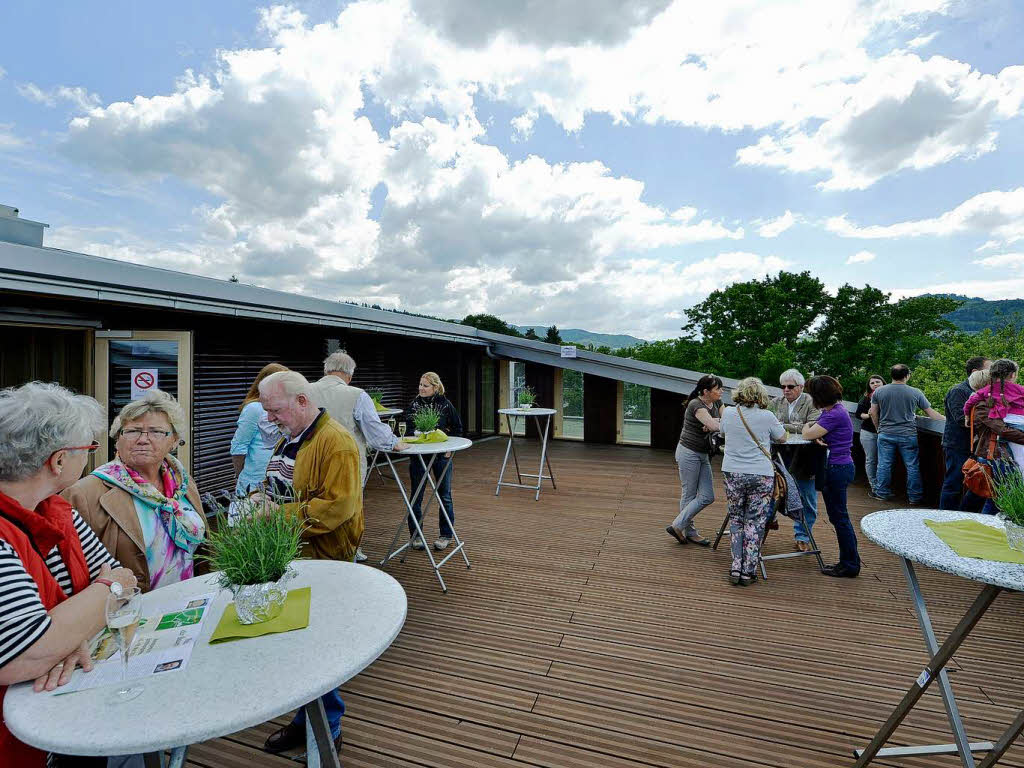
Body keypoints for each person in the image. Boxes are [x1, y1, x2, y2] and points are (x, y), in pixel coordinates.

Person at [0, 382, 138, 767]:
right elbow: (23, 653)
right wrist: (105, 591)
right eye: (89, 450)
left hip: (66, 714)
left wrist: (67, 636)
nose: (92, 459)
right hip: (17, 742)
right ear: (59, 461)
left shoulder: (60, 513)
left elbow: (127, 581)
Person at [256, 371, 361, 757]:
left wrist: (273, 515)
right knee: (296, 644)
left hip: (322, 559)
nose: (269, 419)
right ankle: (305, 722)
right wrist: (258, 498)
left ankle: (327, 728)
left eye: (275, 410)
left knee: (315, 647)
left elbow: (336, 509)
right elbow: (278, 483)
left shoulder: (337, 443)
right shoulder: (296, 435)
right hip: (293, 555)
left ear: (302, 401)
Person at [64, 390, 205, 592]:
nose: (143, 439)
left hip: (188, 602)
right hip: (130, 611)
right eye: (132, 431)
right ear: (117, 439)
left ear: (174, 440)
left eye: (156, 431)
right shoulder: (84, 494)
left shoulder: (183, 483)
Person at [311, 351, 408, 562]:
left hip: (309, 462)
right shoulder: (357, 394)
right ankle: (349, 552)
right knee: (348, 510)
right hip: (346, 465)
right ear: (349, 376)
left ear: (325, 370)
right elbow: (374, 433)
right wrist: (395, 442)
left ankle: (315, 554)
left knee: (311, 506)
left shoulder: (304, 392)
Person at [718, 377, 787, 586]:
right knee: (755, 521)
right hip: (760, 474)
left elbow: (722, 433)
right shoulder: (767, 416)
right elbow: (782, 437)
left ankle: (736, 566)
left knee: (736, 519)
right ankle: (749, 571)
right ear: (761, 395)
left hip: (733, 473)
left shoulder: (729, 413)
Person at [802, 376, 860, 578]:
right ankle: (850, 561)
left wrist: (808, 428)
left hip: (836, 468)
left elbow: (807, 433)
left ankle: (850, 564)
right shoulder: (836, 410)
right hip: (841, 466)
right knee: (839, 517)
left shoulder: (832, 415)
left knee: (839, 518)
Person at [404, 372, 463, 551]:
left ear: (435, 387)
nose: (421, 388)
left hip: (440, 457)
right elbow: (408, 431)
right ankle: (415, 536)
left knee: (444, 496)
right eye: (420, 385)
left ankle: (446, 535)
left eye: (425, 385)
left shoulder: (445, 404)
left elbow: (458, 428)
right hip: (419, 457)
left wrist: (449, 450)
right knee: (416, 496)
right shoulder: (414, 405)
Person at [870, 364, 945, 504]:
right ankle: (914, 497)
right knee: (912, 466)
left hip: (885, 433)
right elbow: (930, 413)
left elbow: (873, 412)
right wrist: (946, 420)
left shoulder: (879, 392)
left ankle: (881, 493)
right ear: (907, 376)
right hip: (907, 434)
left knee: (884, 465)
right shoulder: (915, 392)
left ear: (891, 375)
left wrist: (878, 428)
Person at [666, 374, 723, 547]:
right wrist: (714, 423)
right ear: (706, 391)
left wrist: (714, 421)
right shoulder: (696, 404)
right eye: (718, 389)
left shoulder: (718, 403)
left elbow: (726, 422)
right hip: (688, 453)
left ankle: (677, 525)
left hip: (703, 454)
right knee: (689, 493)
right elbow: (715, 427)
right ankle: (689, 532)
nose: (721, 392)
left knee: (707, 496)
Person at [769, 369, 821, 552]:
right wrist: (798, 427)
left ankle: (803, 535)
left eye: (790, 386)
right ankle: (767, 523)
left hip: (805, 456)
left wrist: (781, 426)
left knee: (807, 497)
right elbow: (766, 421)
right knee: (771, 492)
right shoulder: (775, 402)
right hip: (779, 455)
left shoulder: (812, 402)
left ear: (800, 387)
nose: (786, 390)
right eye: (782, 386)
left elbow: (813, 424)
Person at [939, 357, 991, 510]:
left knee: (978, 484)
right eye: (989, 369)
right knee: (953, 483)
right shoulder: (959, 391)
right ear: (976, 372)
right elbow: (961, 419)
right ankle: (945, 517)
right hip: (957, 445)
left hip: (976, 447)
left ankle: (964, 514)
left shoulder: (983, 393)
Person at [230, 363, 287, 498]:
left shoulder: (285, 407)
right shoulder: (254, 408)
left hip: (278, 483)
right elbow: (238, 447)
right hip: (254, 483)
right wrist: (241, 476)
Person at [965, 359, 1024, 470]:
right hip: (996, 455)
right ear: (1012, 375)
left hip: (1000, 452)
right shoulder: (983, 405)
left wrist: (966, 415)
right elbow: (1002, 430)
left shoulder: (986, 396)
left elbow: (969, 403)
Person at [854, 374, 885, 494]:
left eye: (878, 381)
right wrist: (869, 415)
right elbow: (858, 414)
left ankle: (882, 487)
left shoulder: (887, 396)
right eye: (872, 383)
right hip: (869, 433)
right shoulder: (866, 398)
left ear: (883, 383)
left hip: (885, 432)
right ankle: (874, 486)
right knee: (871, 459)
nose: (875, 384)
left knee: (884, 461)